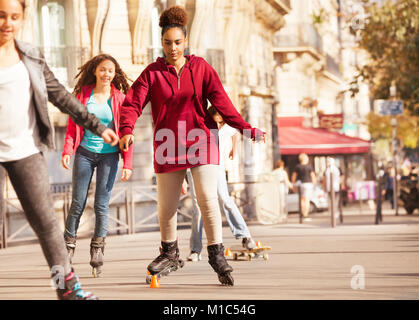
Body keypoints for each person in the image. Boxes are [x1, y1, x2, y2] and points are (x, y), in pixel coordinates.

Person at [119, 5, 265, 286]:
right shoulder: (152, 73)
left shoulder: (201, 68)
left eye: (177, 42)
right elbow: (132, 103)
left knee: (208, 198)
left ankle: (216, 253)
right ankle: (170, 253)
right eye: (167, 43)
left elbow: (223, 102)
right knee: (167, 206)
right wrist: (126, 129)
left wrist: (247, 129)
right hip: (167, 142)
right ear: (161, 42)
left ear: (185, 42)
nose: (172, 48)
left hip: (201, 139)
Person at [0, 0, 119, 299]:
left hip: (26, 151)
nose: (7, 23)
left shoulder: (30, 56)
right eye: (1, 16)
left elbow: (61, 96)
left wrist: (97, 126)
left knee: (48, 226)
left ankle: (66, 289)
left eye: (14, 17)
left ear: (24, 17)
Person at [61, 54, 133, 277]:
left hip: (109, 156)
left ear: (114, 73)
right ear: (95, 71)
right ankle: (68, 248)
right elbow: (73, 127)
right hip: (84, 153)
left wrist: (127, 163)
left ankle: (97, 250)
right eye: (102, 69)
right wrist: (67, 151)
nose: (106, 74)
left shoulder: (120, 98)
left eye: (110, 70)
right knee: (77, 202)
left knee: (102, 205)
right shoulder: (84, 95)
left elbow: (127, 132)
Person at [185, 106, 256, 263]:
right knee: (198, 207)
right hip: (195, 167)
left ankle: (244, 235)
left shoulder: (228, 126)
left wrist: (233, 150)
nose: (219, 121)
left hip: (217, 166)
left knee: (225, 198)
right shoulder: (202, 124)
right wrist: (183, 176)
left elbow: (235, 134)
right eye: (217, 118)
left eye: (221, 119)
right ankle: (195, 249)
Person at [291, 153, 316, 221]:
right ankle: (305, 215)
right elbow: (313, 176)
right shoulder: (309, 166)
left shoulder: (297, 167)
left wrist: (293, 185)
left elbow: (294, 176)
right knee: (307, 200)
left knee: (302, 200)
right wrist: (314, 185)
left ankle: (302, 214)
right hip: (308, 184)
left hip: (301, 184)